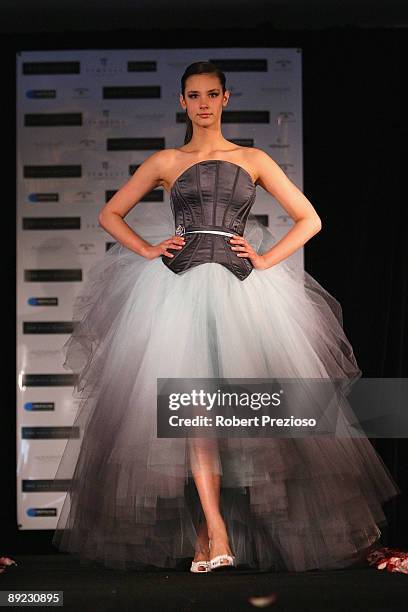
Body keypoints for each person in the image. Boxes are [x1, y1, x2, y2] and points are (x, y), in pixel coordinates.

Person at [52, 61, 400, 574]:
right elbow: (110, 214)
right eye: (194, 95)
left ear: (226, 98)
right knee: (194, 414)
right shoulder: (167, 160)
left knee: (246, 415)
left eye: (212, 94)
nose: (203, 104)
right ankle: (215, 530)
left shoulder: (253, 158)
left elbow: (311, 219)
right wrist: (149, 249)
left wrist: (263, 258)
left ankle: (210, 533)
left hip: (240, 292)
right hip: (177, 294)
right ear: (182, 102)